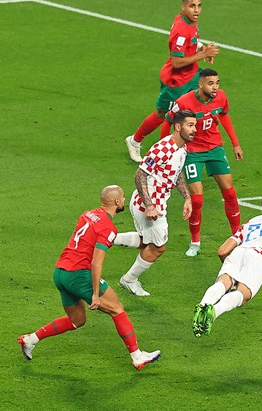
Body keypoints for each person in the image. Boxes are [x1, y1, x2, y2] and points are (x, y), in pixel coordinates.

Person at [17, 186, 161, 370]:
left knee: (77, 320)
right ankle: (137, 356)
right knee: (117, 309)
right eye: (123, 197)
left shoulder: (88, 214)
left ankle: (31, 339)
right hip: (78, 275)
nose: (124, 200)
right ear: (117, 202)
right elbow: (96, 263)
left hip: (61, 272)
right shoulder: (108, 228)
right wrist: (95, 293)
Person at [124, 0, 219, 163]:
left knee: (200, 106)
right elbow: (176, 62)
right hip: (176, 81)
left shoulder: (190, 21)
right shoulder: (181, 30)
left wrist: (201, 48)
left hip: (192, 76)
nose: (196, 10)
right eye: (192, 6)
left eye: (199, 6)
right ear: (183, 8)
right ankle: (135, 141)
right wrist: (203, 54)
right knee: (163, 114)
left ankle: (190, 148)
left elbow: (193, 41)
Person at [114, 110, 197, 296]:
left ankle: (107, 238)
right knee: (158, 247)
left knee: (148, 242)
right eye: (190, 126)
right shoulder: (162, 148)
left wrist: (187, 198)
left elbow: (176, 173)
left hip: (156, 202)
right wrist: (150, 205)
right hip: (149, 204)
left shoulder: (182, 147)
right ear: (178, 127)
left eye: (195, 125)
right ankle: (129, 279)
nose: (194, 130)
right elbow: (139, 174)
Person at [192, 195, 262, 336]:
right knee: (243, 294)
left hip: (238, 252)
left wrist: (233, 269)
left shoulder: (250, 223)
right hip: (259, 257)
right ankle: (213, 313)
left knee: (224, 282)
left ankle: (203, 305)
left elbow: (222, 251)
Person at [166, 68, 244, 257]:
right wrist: (167, 149)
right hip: (193, 152)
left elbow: (224, 115)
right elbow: (168, 120)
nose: (215, 87)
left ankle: (237, 236)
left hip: (215, 148)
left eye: (217, 83)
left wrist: (235, 144)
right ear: (200, 84)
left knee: (230, 193)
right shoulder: (184, 102)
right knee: (197, 199)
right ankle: (195, 242)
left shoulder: (221, 97)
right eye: (211, 83)